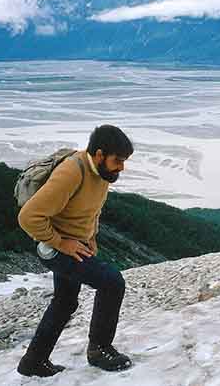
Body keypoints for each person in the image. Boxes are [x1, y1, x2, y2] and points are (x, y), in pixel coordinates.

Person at [16, 124, 134, 377]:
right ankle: (99, 350)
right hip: (56, 247)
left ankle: (33, 361)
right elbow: (29, 217)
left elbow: (91, 208)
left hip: (74, 244)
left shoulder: (101, 173)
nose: (122, 167)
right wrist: (62, 243)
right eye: (118, 160)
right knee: (112, 282)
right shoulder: (72, 171)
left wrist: (90, 236)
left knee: (65, 301)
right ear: (100, 154)